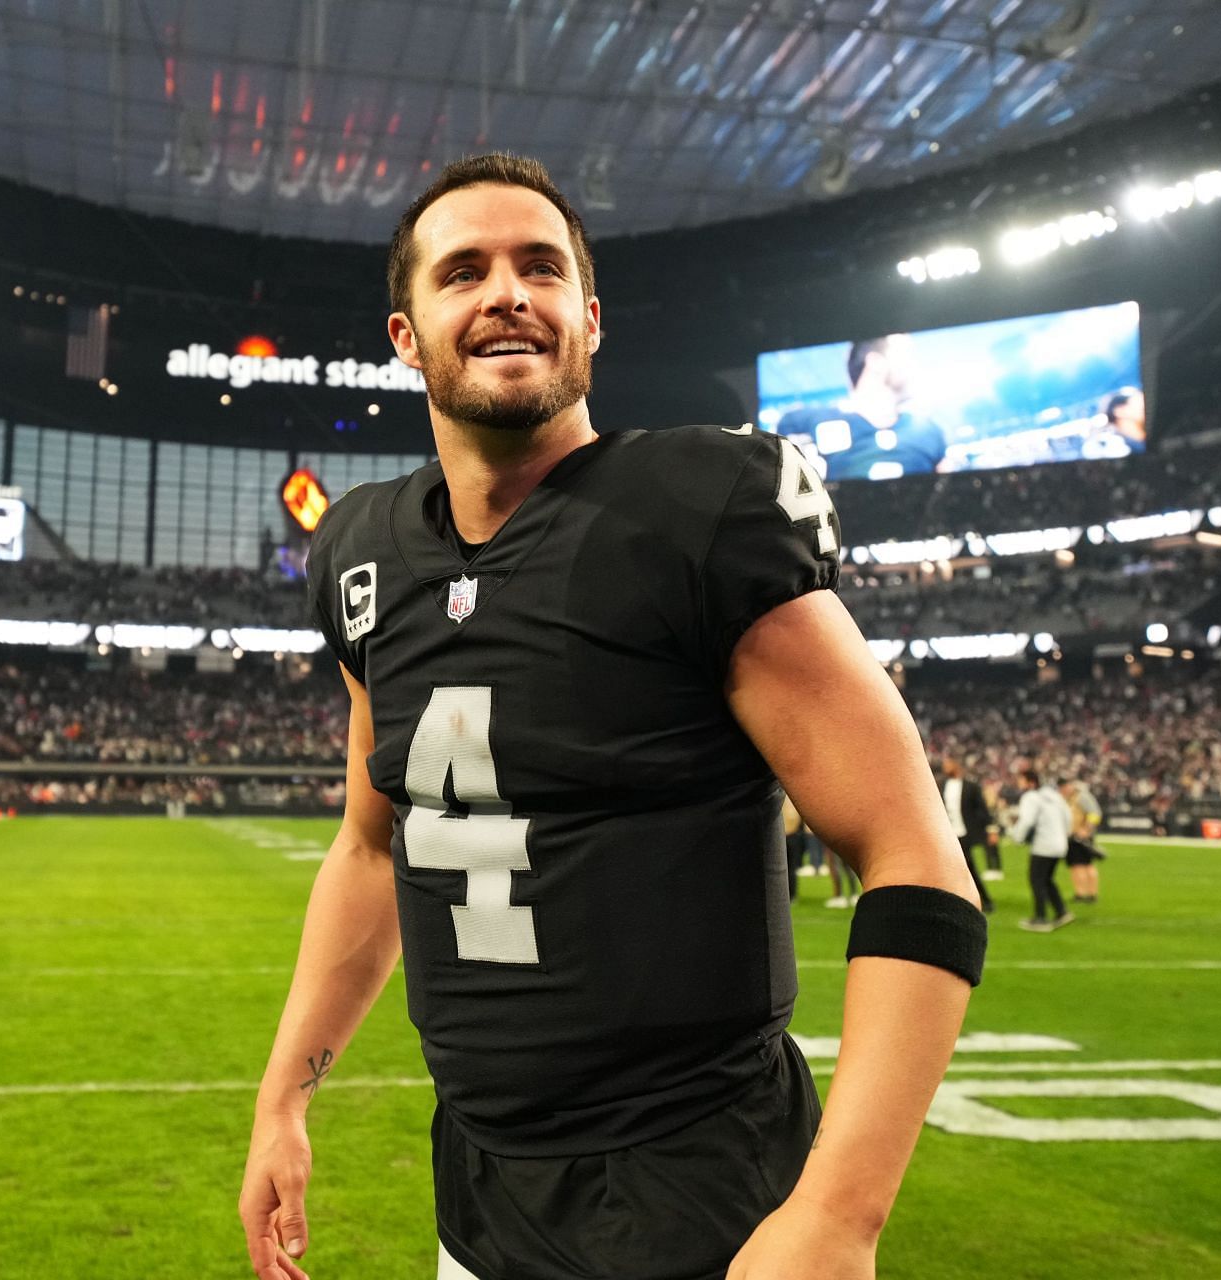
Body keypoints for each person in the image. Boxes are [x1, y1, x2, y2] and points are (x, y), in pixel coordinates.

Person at [238, 153, 986, 1280]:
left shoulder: (699, 512)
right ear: (406, 333)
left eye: (541, 267)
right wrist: (283, 1098)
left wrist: (838, 1214)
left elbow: (918, 861)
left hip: (704, 1196)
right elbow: (372, 841)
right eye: (465, 270)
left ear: (588, 321)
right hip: (482, 1196)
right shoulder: (361, 553)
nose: (507, 292)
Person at [776, 334, 949, 481]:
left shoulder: (929, 431)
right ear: (875, 362)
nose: (914, 365)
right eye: (906, 354)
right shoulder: (803, 423)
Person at [1008, 767, 1074, 933]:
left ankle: (1041, 918)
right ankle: (1062, 912)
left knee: (1036, 880)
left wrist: (1017, 837)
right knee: (1047, 879)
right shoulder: (1053, 795)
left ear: (1030, 782)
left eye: (1021, 781)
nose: (1019, 784)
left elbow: (1027, 821)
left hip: (1043, 845)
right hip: (1060, 844)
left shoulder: (1031, 797)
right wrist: (1064, 834)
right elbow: (1068, 816)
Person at [938, 756, 995, 913]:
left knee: (967, 867)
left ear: (957, 765)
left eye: (948, 763)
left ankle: (984, 900)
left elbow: (982, 810)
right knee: (951, 868)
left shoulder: (971, 786)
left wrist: (990, 828)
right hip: (947, 834)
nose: (945, 767)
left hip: (963, 833)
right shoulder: (941, 784)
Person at [1061, 778, 1105, 903]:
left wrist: (1086, 829)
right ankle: (1083, 893)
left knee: (1082, 865)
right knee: (1078, 865)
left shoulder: (1082, 797)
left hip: (1080, 836)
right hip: (1074, 836)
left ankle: (1087, 894)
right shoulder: (1071, 798)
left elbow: (1095, 813)